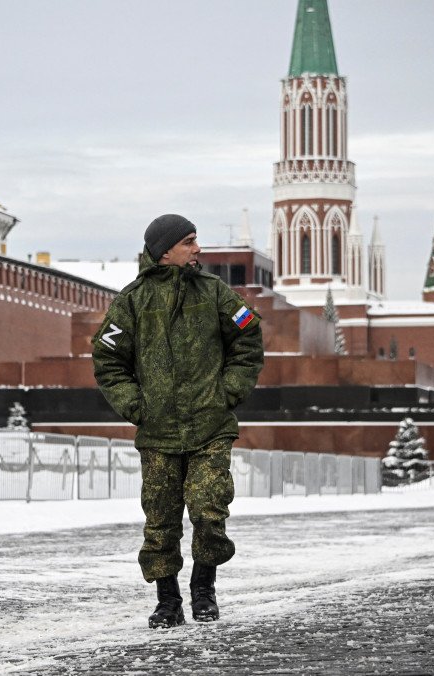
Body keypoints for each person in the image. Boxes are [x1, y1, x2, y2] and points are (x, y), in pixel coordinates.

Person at [92, 214, 264, 628]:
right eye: (188, 241)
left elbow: (249, 338)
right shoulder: (132, 301)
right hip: (159, 432)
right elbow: (108, 359)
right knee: (161, 519)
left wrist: (228, 393)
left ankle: (204, 589)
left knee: (208, 510)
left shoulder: (215, 293)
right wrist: (138, 407)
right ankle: (167, 599)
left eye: (195, 240)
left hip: (209, 427)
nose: (197, 248)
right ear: (164, 250)